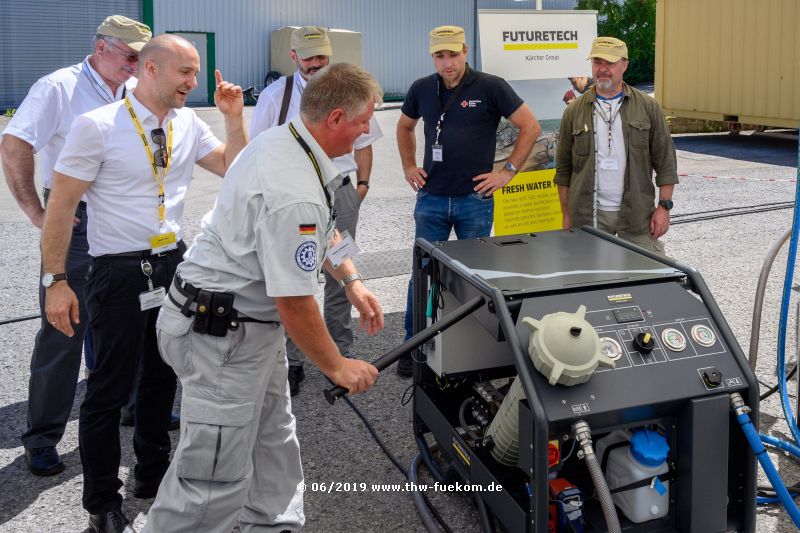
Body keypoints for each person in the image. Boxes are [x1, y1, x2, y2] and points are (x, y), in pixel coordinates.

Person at [142, 62, 382, 533]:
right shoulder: (293, 188)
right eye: (362, 120)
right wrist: (337, 365)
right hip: (223, 340)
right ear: (334, 118)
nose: (368, 129)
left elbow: (326, 230)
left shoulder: (289, 144)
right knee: (207, 485)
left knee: (274, 445)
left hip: (245, 332)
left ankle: (273, 526)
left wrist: (352, 279)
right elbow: (293, 301)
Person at [41, 34, 247, 533]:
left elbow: (233, 169)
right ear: (149, 70)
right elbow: (61, 207)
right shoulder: (97, 126)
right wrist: (57, 282)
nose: (193, 82)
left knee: (162, 377)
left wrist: (233, 119)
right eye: (185, 72)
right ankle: (102, 504)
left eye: (196, 73)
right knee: (108, 390)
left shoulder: (188, 123)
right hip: (116, 270)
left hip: (171, 265)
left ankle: (153, 479)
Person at [0, 15, 151, 477]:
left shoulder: (131, 89)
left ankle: (130, 404)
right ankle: (42, 436)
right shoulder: (59, 87)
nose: (135, 65)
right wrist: (38, 215)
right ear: (101, 47)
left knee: (128, 318)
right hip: (76, 217)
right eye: (129, 56)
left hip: (124, 215)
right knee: (64, 326)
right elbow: (14, 143)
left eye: (141, 58)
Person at [395, 25, 540, 376]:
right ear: (432, 56)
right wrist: (409, 166)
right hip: (431, 197)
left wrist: (506, 172)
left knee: (475, 277)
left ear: (465, 51)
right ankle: (412, 344)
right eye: (440, 56)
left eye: (453, 54)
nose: (447, 63)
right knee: (423, 273)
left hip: (475, 199)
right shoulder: (421, 89)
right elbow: (404, 126)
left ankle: (471, 349)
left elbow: (530, 127)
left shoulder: (490, 86)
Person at [250, 25, 383, 396]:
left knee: (337, 272)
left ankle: (336, 351)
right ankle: (297, 358)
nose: (316, 63)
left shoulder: (310, 156)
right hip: (290, 196)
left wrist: (360, 189)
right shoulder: (277, 101)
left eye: (321, 56)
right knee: (300, 276)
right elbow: (294, 292)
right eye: (308, 58)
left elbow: (327, 234)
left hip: (338, 192)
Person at [555, 37, 678, 255]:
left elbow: (665, 161)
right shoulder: (574, 111)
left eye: (610, 63)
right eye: (597, 62)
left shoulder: (648, 107)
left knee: (646, 279)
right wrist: (566, 214)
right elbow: (563, 169)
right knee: (591, 283)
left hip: (637, 216)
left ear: (625, 65)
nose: (602, 69)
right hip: (587, 217)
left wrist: (664, 207)